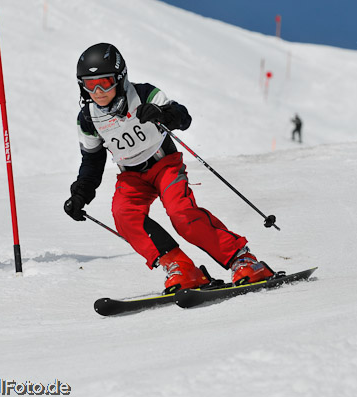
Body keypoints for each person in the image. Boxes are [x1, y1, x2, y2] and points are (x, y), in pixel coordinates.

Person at [64, 43, 274, 293]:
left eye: (105, 82)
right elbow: (92, 161)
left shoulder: (143, 95)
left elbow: (183, 117)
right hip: (132, 177)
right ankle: (182, 268)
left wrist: (162, 114)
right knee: (124, 216)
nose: (98, 91)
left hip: (164, 165)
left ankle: (244, 260)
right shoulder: (88, 118)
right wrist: (81, 194)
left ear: (120, 78)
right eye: (90, 84)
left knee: (181, 214)